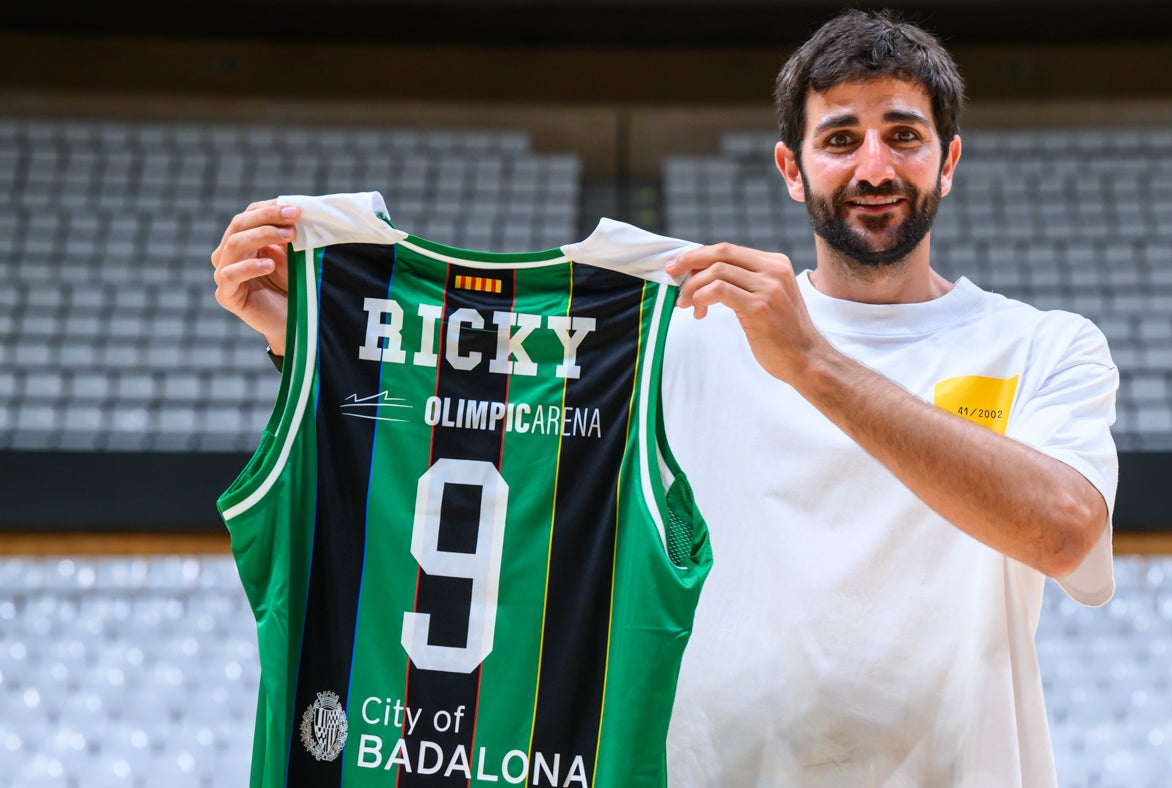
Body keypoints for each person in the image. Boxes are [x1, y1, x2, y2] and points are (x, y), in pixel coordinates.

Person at [210, 9, 1117, 787]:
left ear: (948, 160)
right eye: (840, 138)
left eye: (904, 135)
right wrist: (308, 334)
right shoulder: (684, 337)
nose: (873, 165)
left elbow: (1067, 531)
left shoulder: (1043, 347)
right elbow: (484, 404)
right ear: (792, 168)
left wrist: (813, 363)